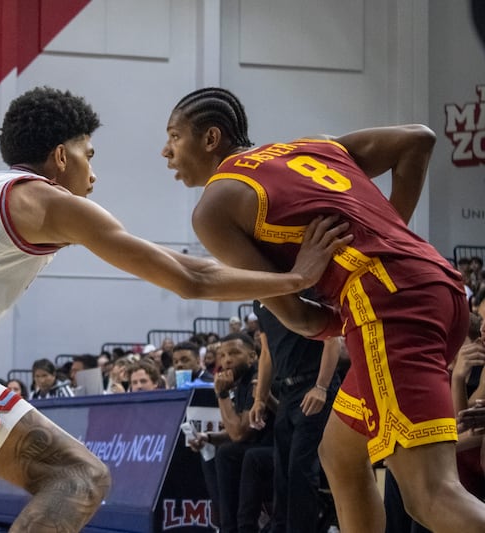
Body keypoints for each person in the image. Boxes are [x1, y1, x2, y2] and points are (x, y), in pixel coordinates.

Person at [0, 86, 350, 533]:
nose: (93, 174)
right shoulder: (44, 200)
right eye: (89, 155)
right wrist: (297, 277)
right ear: (61, 156)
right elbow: (190, 275)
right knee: (79, 478)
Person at [162, 86, 485, 531]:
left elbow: (301, 318)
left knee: (431, 496)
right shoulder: (311, 147)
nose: (166, 151)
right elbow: (418, 139)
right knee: (339, 454)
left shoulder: (215, 206)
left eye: (174, 136)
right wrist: (389, 234)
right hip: (439, 285)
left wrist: (361, 297)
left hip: (391, 308)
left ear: (211, 138)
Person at [250, 300, 341, 532]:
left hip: (314, 384)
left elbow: (332, 338)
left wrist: (321, 386)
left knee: (300, 470)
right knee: (282, 473)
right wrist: (260, 398)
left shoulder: (306, 288)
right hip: (288, 391)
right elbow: (267, 353)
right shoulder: (259, 301)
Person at [189, 333, 274, 533]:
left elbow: (239, 434)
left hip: (274, 449)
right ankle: (227, 526)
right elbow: (237, 431)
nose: (227, 360)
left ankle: (237, 528)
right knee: (217, 451)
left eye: (234, 353)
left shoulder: (257, 378)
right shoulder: (242, 380)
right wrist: (209, 437)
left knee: (229, 453)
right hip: (256, 447)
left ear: (252, 356)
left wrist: (222, 394)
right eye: (223, 355)